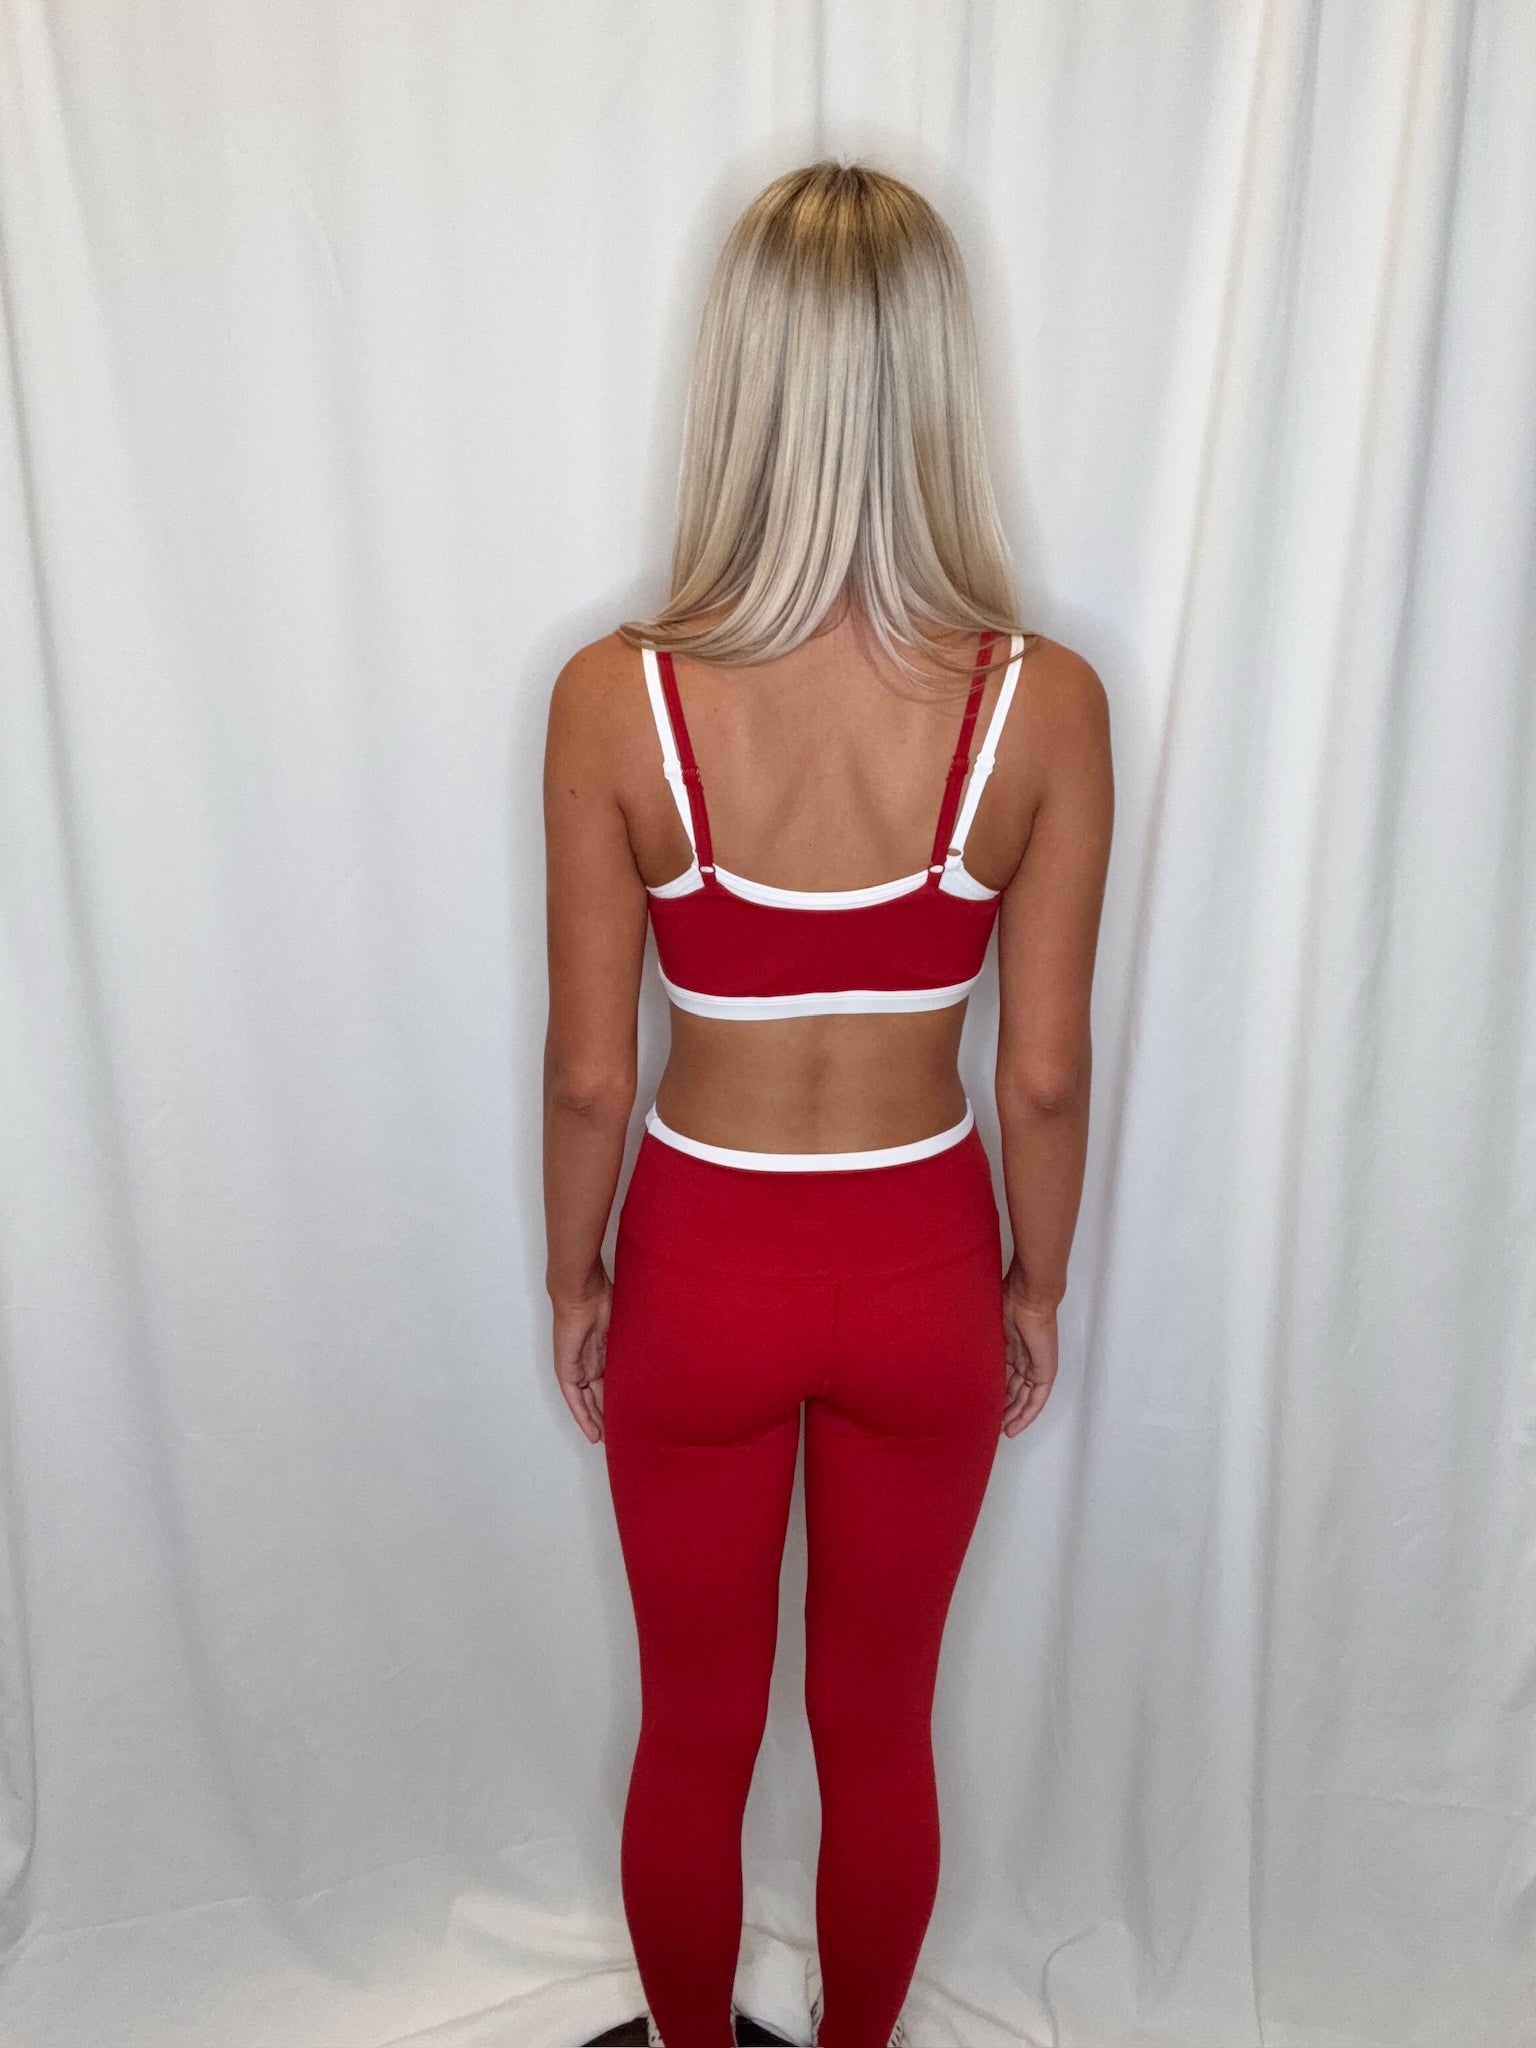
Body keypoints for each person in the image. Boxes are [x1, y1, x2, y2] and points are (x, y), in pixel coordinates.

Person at [542, 161, 1113, 2048]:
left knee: (692, 1729)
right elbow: (1041, 1073)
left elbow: (589, 1072)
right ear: (937, 382)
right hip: (921, 1264)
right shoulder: (1043, 704)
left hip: (701, 1266)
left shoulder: (616, 699)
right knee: (882, 1726)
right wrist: (1036, 1287)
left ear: (741, 383)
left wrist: (574, 1274)